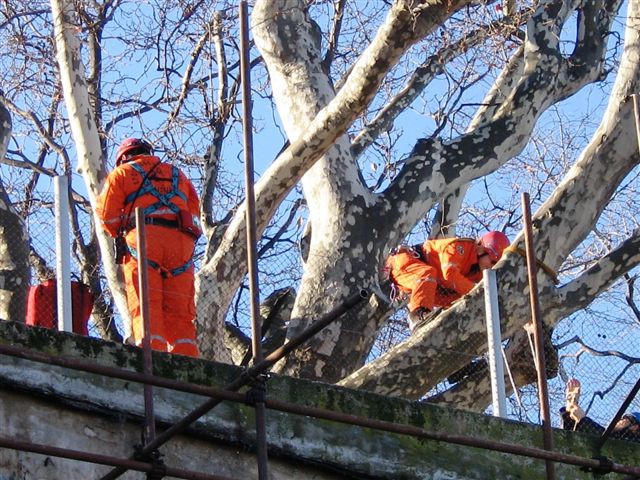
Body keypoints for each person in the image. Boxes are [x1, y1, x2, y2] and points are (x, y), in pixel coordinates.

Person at [97, 138, 201, 357]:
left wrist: (122, 230)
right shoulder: (177, 174)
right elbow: (194, 210)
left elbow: (107, 217)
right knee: (181, 309)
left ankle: (151, 354)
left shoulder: (122, 174)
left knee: (146, 302)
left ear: (123, 157)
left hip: (145, 240)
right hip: (181, 245)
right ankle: (187, 357)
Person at [386, 231, 510, 332]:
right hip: (405, 264)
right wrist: (479, 291)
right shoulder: (458, 247)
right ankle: (418, 316)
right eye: (493, 262)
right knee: (428, 273)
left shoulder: (478, 272)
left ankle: (456, 335)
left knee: (463, 301)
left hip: (431, 285)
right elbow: (449, 275)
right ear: (481, 250)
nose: (492, 266)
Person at [561, 378, 640, 442]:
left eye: (624, 419)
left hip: (605, 452)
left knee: (592, 429)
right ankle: (571, 413)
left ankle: (573, 409)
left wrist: (580, 416)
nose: (620, 420)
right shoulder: (615, 435)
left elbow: (601, 437)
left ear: (635, 427)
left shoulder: (632, 442)